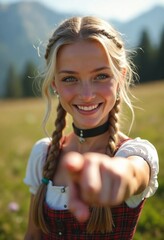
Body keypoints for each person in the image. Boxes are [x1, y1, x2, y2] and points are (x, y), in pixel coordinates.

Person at [24, 16, 159, 240]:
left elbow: (133, 174)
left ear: (121, 78)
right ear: (55, 84)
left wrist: (120, 176)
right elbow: (32, 235)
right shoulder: (43, 155)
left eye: (101, 76)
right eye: (69, 79)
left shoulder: (133, 154)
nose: (86, 95)